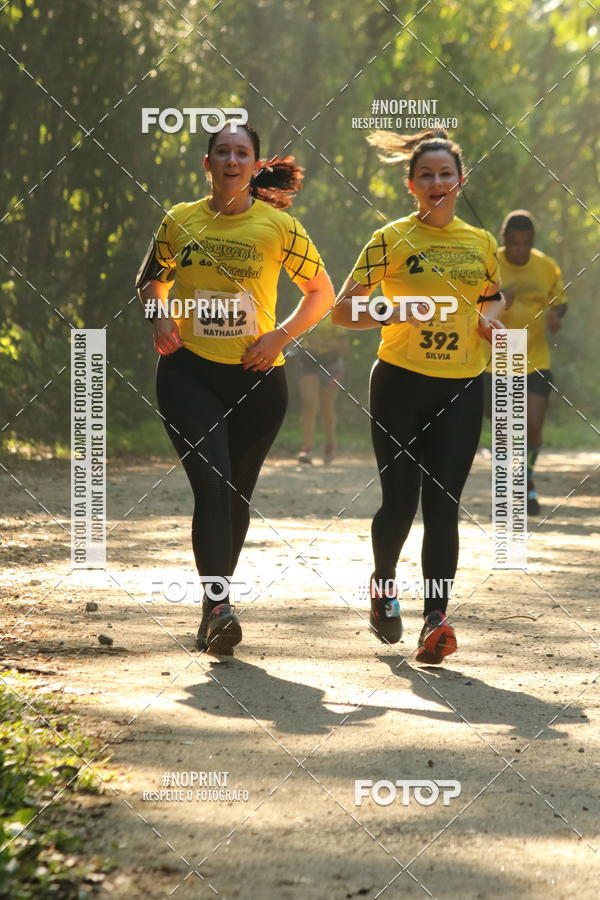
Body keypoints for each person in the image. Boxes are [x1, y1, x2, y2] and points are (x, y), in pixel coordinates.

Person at [135, 121, 334, 655]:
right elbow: (150, 281)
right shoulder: (180, 221)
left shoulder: (277, 227)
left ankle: (211, 609)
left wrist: (279, 336)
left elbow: (320, 292)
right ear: (208, 165)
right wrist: (158, 317)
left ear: (254, 165)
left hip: (258, 378)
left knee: (237, 496)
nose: (230, 160)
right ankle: (221, 607)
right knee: (213, 487)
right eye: (221, 152)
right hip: (189, 372)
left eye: (240, 153)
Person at [333, 128, 505, 664]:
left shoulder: (480, 243)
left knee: (443, 505)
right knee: (401, 502)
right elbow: (343, 310)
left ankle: (436, 619)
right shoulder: (389, 240)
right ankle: (383, 586)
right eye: (426, 175)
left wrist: (489, 322)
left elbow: (495, 298)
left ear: (459, 181)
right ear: (411, 184)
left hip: (460, 386)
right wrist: (394, 310)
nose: (437, 182)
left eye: (445, 174)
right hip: (400, 383)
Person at [485, 210, 566, 515]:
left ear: (532, 241)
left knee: (532, 425)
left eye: (526, 244)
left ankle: (527, 479)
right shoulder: (490, 263)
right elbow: (473, 307)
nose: (520, 250)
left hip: (535, 358)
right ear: (504, 239)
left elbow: (559, 303)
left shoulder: (546, 267)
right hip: (496, 359)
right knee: (505, 428)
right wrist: (500, 299)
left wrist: (556, 318)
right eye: (514, 243)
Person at [296, 314, 348, 464]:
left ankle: (330, 443)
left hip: (331, 363)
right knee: (309, 404)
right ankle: (306, 448)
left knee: (327, 407)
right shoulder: (305, 311)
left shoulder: (335, 316)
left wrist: (323, 343)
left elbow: (344, 347)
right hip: (308, 361)